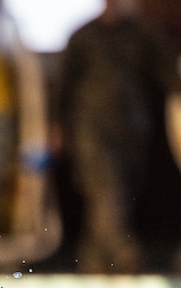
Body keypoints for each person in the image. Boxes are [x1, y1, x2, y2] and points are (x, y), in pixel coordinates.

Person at [53, 0, 181, 273]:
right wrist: (56, 127)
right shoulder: (83, 36)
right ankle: (124, 255)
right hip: (90, 126)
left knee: (120, 191)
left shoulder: (142, 34)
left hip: (132, 128)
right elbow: (63, 86)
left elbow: (169, 73)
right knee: (105, 187)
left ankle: (94, 259)